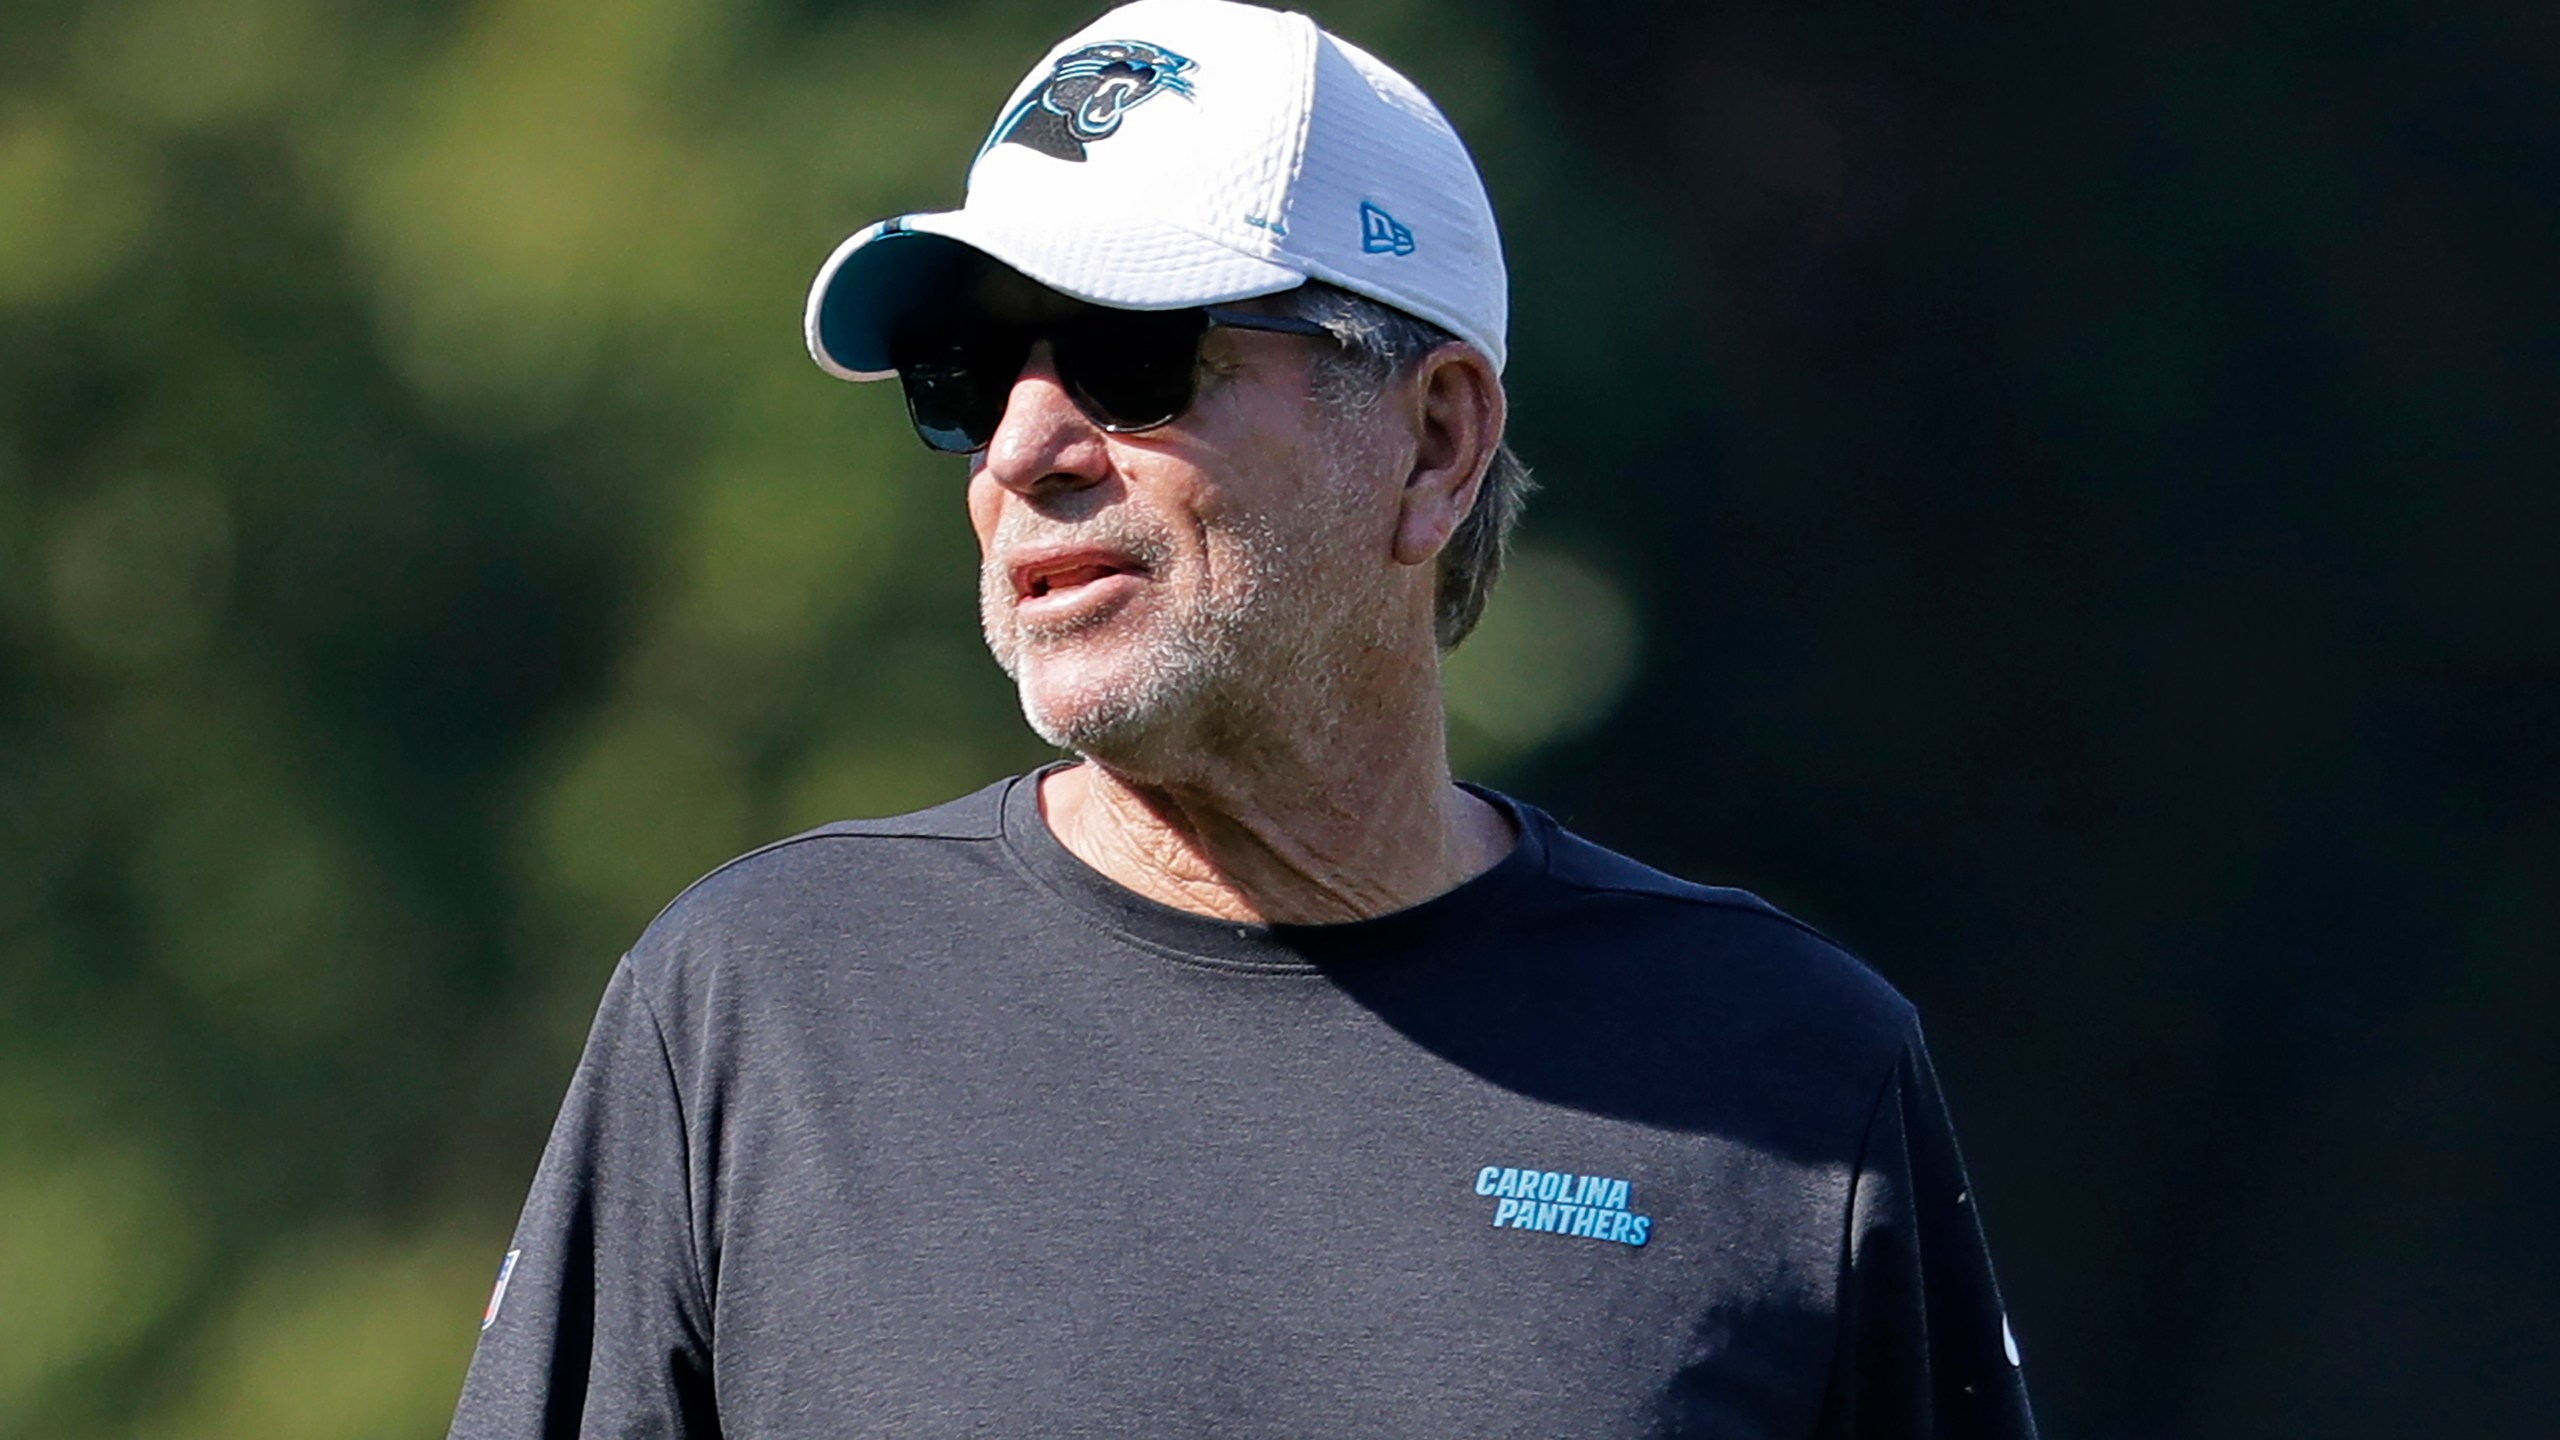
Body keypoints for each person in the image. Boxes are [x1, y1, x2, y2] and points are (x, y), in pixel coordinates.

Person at [447, 1, 2039, 1436]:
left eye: (1135, 356)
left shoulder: (1794, 1072)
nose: (1023, 449)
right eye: (967, 372)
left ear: (1434, 443)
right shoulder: (756, 1011)